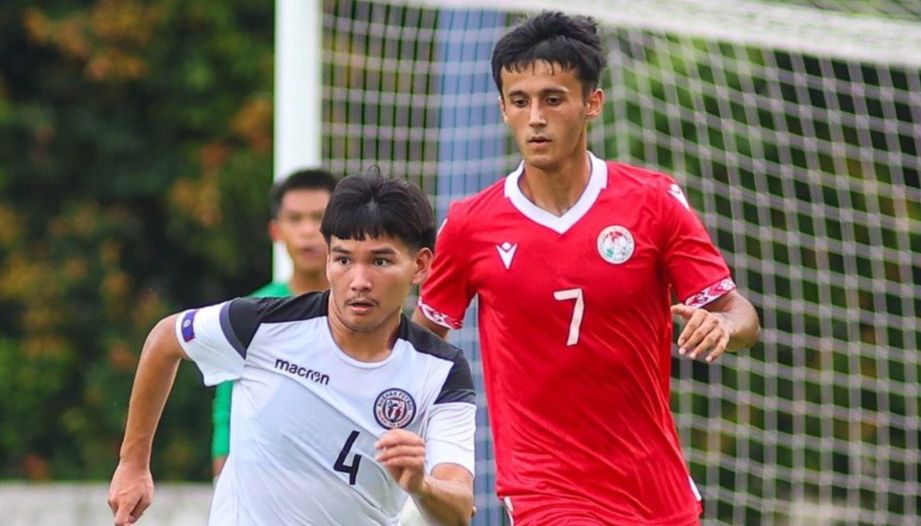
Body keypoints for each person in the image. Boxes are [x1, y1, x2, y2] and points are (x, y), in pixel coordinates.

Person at [412, 11, 761, 526]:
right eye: (519, 101)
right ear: (503, 108)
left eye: (553, 99)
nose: (535, 117)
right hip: (543, 488)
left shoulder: (653, 202)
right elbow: (423, 341)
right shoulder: (470, 225)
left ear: (590, 103)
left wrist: (724, 325)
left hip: (653, 486)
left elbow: (740, 315)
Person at [109, 174, 477, 526]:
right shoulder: (260, 324)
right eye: (344, 259)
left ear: (421, 265)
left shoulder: (442, 369)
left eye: (380, 261)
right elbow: (164, 339)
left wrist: (420, 486)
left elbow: (459, 507)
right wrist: (133, 463)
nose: (359, 282)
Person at [212, 168, 338, 477]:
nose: (308, 230)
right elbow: (227, 406)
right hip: (271, 478)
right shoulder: (252, 312)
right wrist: (222, 474)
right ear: (276, 231)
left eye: (319, 217)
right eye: (295, 219)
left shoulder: (368, 309)